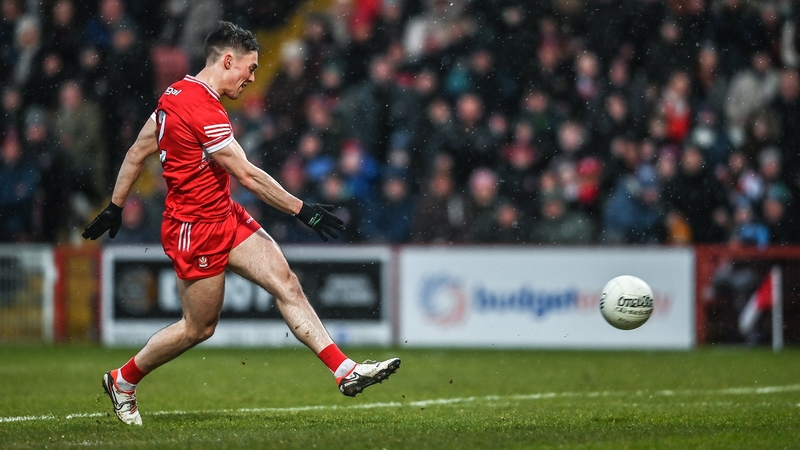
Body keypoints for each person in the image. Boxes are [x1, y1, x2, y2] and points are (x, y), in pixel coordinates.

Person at [82, 21, 400, 426]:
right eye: (249, 69)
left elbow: (136, 151)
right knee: (198, 328)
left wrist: (115, 205)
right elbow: (248, 175)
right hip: (194, 229)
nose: (252, 78)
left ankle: (344, 370)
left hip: (225, 215)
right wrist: (303, 210)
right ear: (227, 61)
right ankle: (122, 379)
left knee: (286, 282)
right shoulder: (203, 108)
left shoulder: (174, 93)